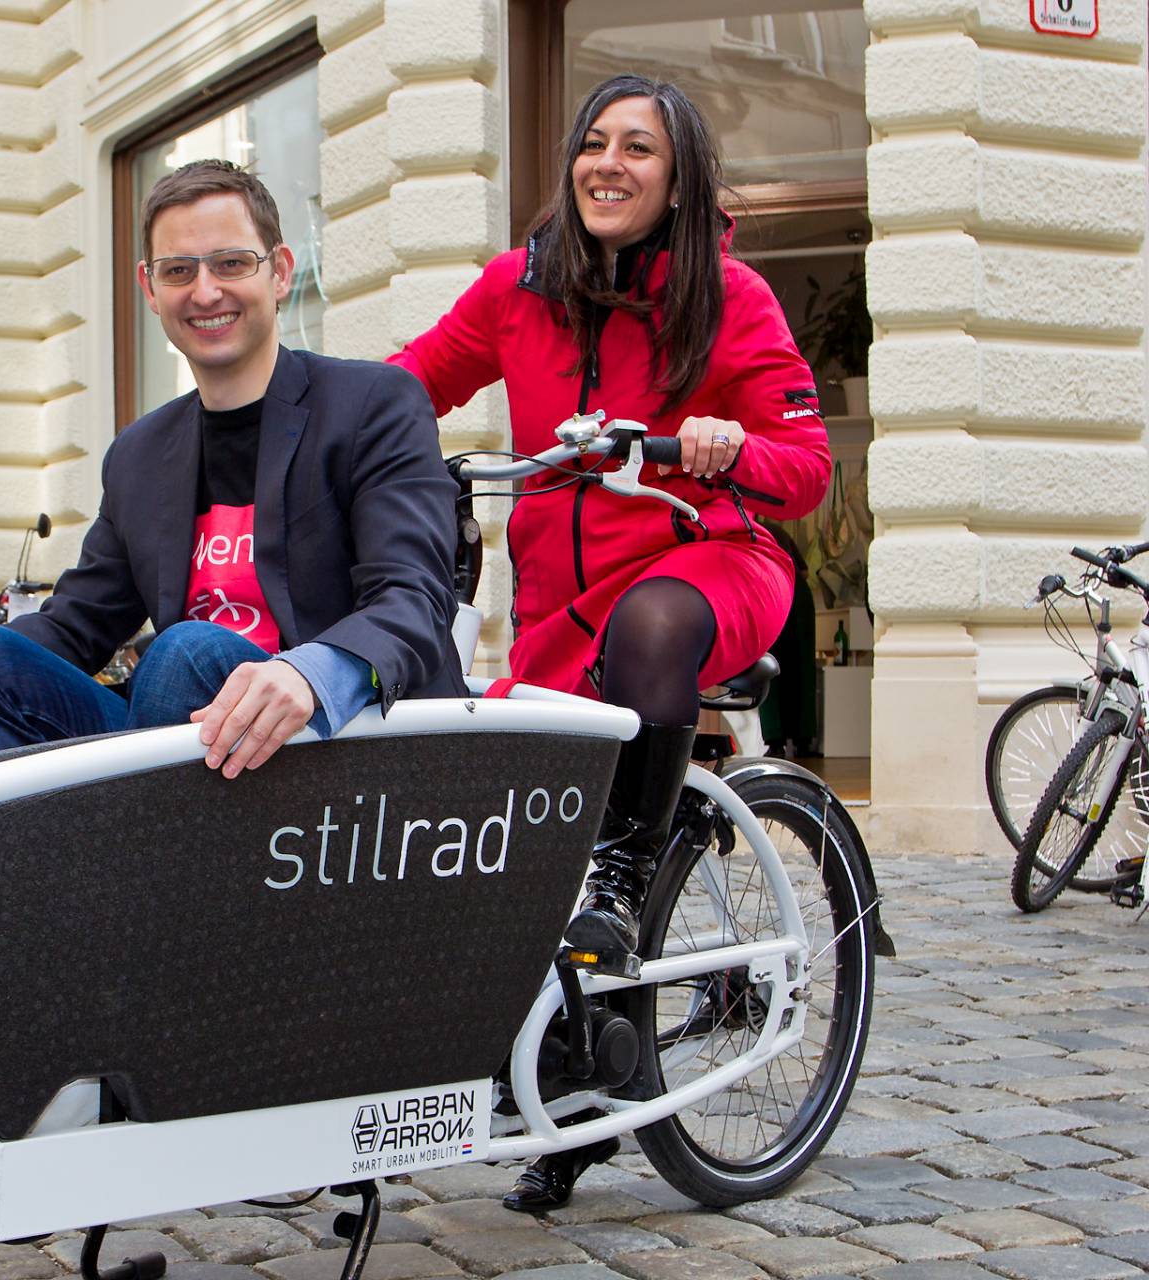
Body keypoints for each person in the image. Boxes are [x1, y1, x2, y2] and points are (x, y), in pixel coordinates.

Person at [389, 74, 830, 1209]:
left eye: (640, 148)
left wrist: (716, 444)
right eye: (594, 142)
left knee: (651, 632)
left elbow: (806, 467)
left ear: (677, 179)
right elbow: (410, 383)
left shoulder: (729, 296)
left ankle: (629, 878)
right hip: (561, 601)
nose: (609, 163)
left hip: (709, 562)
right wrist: (303, 417)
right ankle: (577, 1096)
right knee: (521, 832)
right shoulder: (516, 289)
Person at [0, 159, 464, 768]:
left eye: (232, 263)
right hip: (185, 746)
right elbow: (73, 628)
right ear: (150, 289)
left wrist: (309, 671)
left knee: (183, 651)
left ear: (279, 272)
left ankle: (121, 869)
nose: (206, 290)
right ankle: (45, 877)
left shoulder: (372, 403)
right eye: (179, 270)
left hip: (337, 743)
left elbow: (413, 600)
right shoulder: (140, 454)